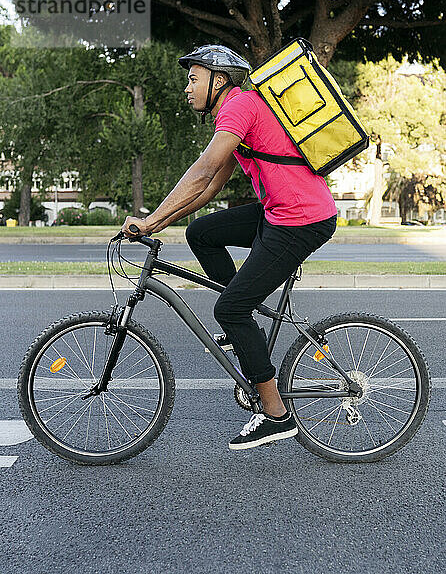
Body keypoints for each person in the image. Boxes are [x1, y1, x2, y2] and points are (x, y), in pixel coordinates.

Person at [122, 44, 338, 450]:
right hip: (279, 210)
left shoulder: (239, 108)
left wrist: (148, 221)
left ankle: (276, 415)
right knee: (201, 233)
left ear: (218, 80)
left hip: (301, 219)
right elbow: (208, 187)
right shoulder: (237, 110)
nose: (187, 87)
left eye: (193, 78)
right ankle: (245, 322)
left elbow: (202, 168)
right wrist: (159, 225)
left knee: (229, 309)